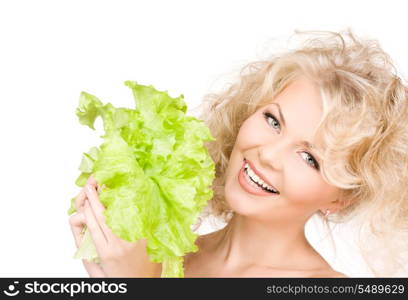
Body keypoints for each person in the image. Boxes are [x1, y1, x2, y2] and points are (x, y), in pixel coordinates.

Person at [69, 28, 408, 277]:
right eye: (273, 120)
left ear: (340, 199)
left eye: (310, 158)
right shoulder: (160, 258)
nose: (269, 155)